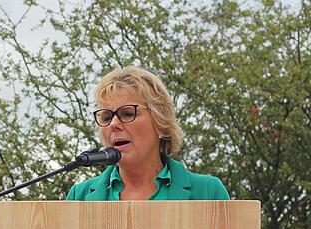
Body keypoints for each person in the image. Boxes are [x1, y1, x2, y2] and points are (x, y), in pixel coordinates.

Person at [66, 66, 230, 201]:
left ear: (160, 122)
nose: (114, 124)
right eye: (107, 117)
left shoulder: (208, 193)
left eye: (128, 113)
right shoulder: (79, 197)